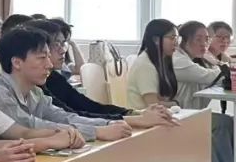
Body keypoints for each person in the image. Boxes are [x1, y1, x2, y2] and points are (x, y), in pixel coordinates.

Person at [0, 28, 133, 143]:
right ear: (17, 62)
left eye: (48, 57)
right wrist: (96, 132)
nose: (49, 65)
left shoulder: (35, 92)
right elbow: (31, 127)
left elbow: (64, 117)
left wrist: (107, 124)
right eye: (42, 58)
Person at [27, 19, 172, 128]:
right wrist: (134, 119)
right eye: (56, 44)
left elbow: (88, 106)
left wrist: (134, 113)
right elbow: (71, 116)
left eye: (63, 43)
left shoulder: (54, 78)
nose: (62, 50)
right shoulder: (35, 85)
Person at [174, 20, 235, 162]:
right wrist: (217, 62)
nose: (204, 44)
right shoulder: (179, 61)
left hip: (192, 114)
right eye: (199, 39)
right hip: (180, 116)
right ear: (183, 40)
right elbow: (214, 76)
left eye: (206, 39)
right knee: (222, 125)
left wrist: (218, 62)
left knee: (226, 123)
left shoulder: (194, 59)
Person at [127, 19, 180, 109]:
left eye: (177, 38)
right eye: (172, 38)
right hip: (143, 115)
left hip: (156, 114)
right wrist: (174, 104)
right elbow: (153, 105)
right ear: (156, 40)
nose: (176, 43)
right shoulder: (145, 65)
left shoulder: (161, 61)